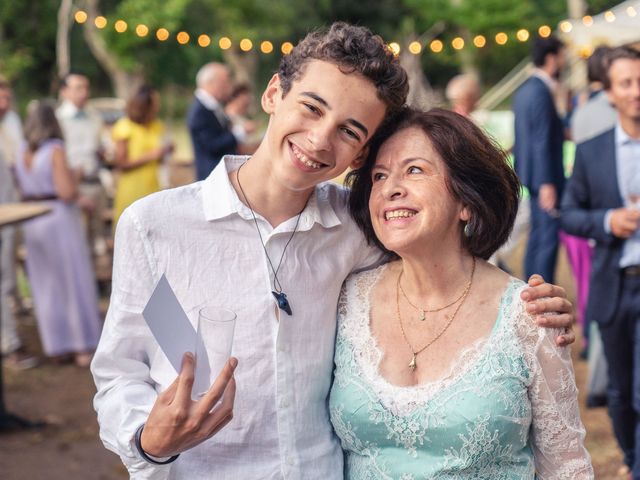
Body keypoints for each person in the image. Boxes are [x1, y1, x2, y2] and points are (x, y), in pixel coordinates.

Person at [91, 23, 576, 479]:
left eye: (349, 130)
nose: (319, 139)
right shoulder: (155, 227)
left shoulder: (360, 225)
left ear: (361, 154)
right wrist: (146, 438)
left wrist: (526, 308)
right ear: (273, 95)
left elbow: (441, 259)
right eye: (311, 107)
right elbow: (120, 371)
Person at [332, 106, 592, 478]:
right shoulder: (347, 299)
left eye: (415, 170)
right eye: (379, 175)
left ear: (467, 201)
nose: (391, 188)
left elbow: (567, 466)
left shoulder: (531, 314)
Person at [561, 46, 640, 478]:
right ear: (609, 93)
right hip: (614, 284)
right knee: (621, 393)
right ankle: (630, 457)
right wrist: (609, 220)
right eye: (627, 83)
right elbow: (570, 214)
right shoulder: (592, 153)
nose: (636, 91)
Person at [13, 101, 101, 367]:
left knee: (46, 285)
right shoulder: (55, 149)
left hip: (32, 217)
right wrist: (76, 179)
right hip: (57, 218)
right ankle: (81, 346)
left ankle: (57, 345)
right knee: (71, 281)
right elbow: (65, 191)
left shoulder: (21, 151)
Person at [513, 35, 567, 282]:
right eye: (562, 56)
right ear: (551, 58)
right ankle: (542, 293)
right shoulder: (541, 92)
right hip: (545, 177)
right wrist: (547, 183)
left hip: (530, 173)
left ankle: (530, 286)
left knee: (537, 235)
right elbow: (542, 139)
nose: (564, 61)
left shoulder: (524, 89)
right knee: (547, 237)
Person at [0, 78, 37, 369]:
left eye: (8, 95)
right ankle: (9, 344)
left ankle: (14, 323)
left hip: (14, 206)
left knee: (11, 274)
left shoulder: (12, 121)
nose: (5, 100)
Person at [56, 72, 107, 256]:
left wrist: (103, 152)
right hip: (72, 187)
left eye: (86, 87)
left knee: (97, 240)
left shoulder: (94, 116)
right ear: (64, 91)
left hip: (95, 181)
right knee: (76, 244)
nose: (84, 92)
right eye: (78, 88)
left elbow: (101, 146)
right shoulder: (58, 119)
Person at [111, 84, 173, 228]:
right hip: (133, 187)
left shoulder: (156, 125)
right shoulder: (125, 126)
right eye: (155, 103)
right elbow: (121, 163)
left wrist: (166, 150)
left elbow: (160, 156)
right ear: (144, 105)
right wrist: (149, 156)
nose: (158, 106)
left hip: (153, 185)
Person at [188, 63, 246, 181]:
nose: (228, 86)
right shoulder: (199, 111)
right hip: (211, 176)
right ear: (211, 83)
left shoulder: (210, 106)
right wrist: (239, 133)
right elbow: (212, 145)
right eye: (225, 82)